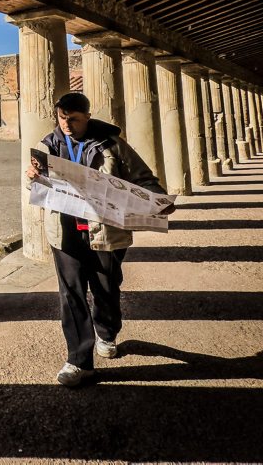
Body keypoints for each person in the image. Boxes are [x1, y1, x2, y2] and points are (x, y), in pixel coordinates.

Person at [26, 91, 171, 388]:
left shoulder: (112, 145)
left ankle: (107, 333)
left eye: (74, 119)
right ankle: (79, 361)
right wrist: (32, 175)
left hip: (106, 233)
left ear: (87, 117)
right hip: (64, 232)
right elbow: (35, 181)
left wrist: (157, 200)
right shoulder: (48, 144)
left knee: (106, 289)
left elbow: (144, 178)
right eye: (62, 117)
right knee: (70, 295)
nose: (66, 123)